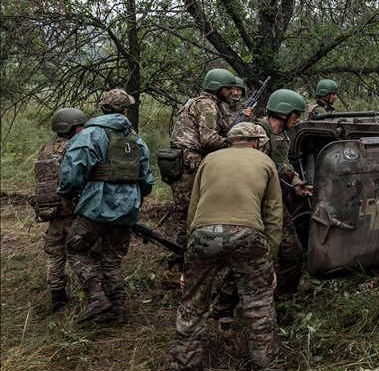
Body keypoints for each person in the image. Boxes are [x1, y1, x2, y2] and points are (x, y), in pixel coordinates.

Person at [169, 122, 284, 371]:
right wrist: (271, 262)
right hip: (248, 234)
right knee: (258, 303)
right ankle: (265, 368)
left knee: (193, 303)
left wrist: (189, 260)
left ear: (230, 142)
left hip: (203, 233)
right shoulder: (266, 163)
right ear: (256, 141)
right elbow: (273, 214)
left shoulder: (209, 160)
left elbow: (193, 209)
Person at [211, 89, 312, 323]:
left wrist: (296, 183)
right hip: (251, 204)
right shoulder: (256, 134)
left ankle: (282, 303)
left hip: (273, 202)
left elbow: (281, 164)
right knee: (247, 257)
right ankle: (223, 309)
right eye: (296, 115)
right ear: (285, 112)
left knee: (292, 252)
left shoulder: (281, 136)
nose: (298, 120)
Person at [58, 89, 154, 323]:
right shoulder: (135, 138)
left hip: (96, 206)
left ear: (101, 108)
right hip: (127, 209)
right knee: (112, 258)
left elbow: (73, 171)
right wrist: (132, 199)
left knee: (74, 248)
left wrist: (67, 194)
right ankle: (117, 309)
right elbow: (146, 179)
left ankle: (98, 298)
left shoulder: (90, 134)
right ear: (125, 111)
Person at [164, 68, 236, 281]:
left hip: (186, 163)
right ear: (218, 88)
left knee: (192, 218)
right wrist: (236, 143)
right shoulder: (207, 105)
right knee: (191, 219)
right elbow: (209, 139)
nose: (231, 92)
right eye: (228, 88)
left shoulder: (198, 102)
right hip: (189, 165)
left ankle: (195, 265)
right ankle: (174, 270)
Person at [33, 108, 90, 312]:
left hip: (51, 213)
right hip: (73, 211)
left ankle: (58, 297)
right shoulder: (75, 147)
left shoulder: (46, 149)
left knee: (56, 255)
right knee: (86, 252)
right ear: (73, 128)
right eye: (82, 125)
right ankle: (93, 293)